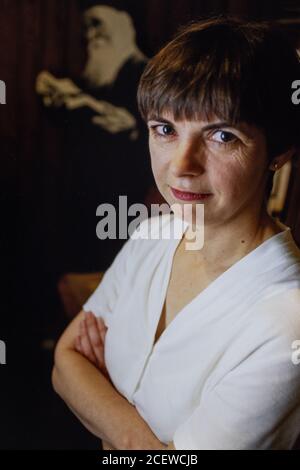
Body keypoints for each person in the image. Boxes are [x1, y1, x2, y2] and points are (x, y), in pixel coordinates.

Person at [52, 17, 300, 450]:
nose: (182, 165)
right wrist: (140, 439)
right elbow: (64, 361)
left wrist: (105, 402)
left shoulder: (286, 322)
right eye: (165, 129)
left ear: (277, 152)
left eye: (222, 135)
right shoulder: (154, 235)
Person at [36, 0, 154, 273]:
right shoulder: (95, 80)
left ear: (124, 22)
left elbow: (130, 123)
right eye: (87, 27)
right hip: (88, 206)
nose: (90, 35)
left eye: (97, 24)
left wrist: (84, 103)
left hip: (127, 208)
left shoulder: (146, 73)